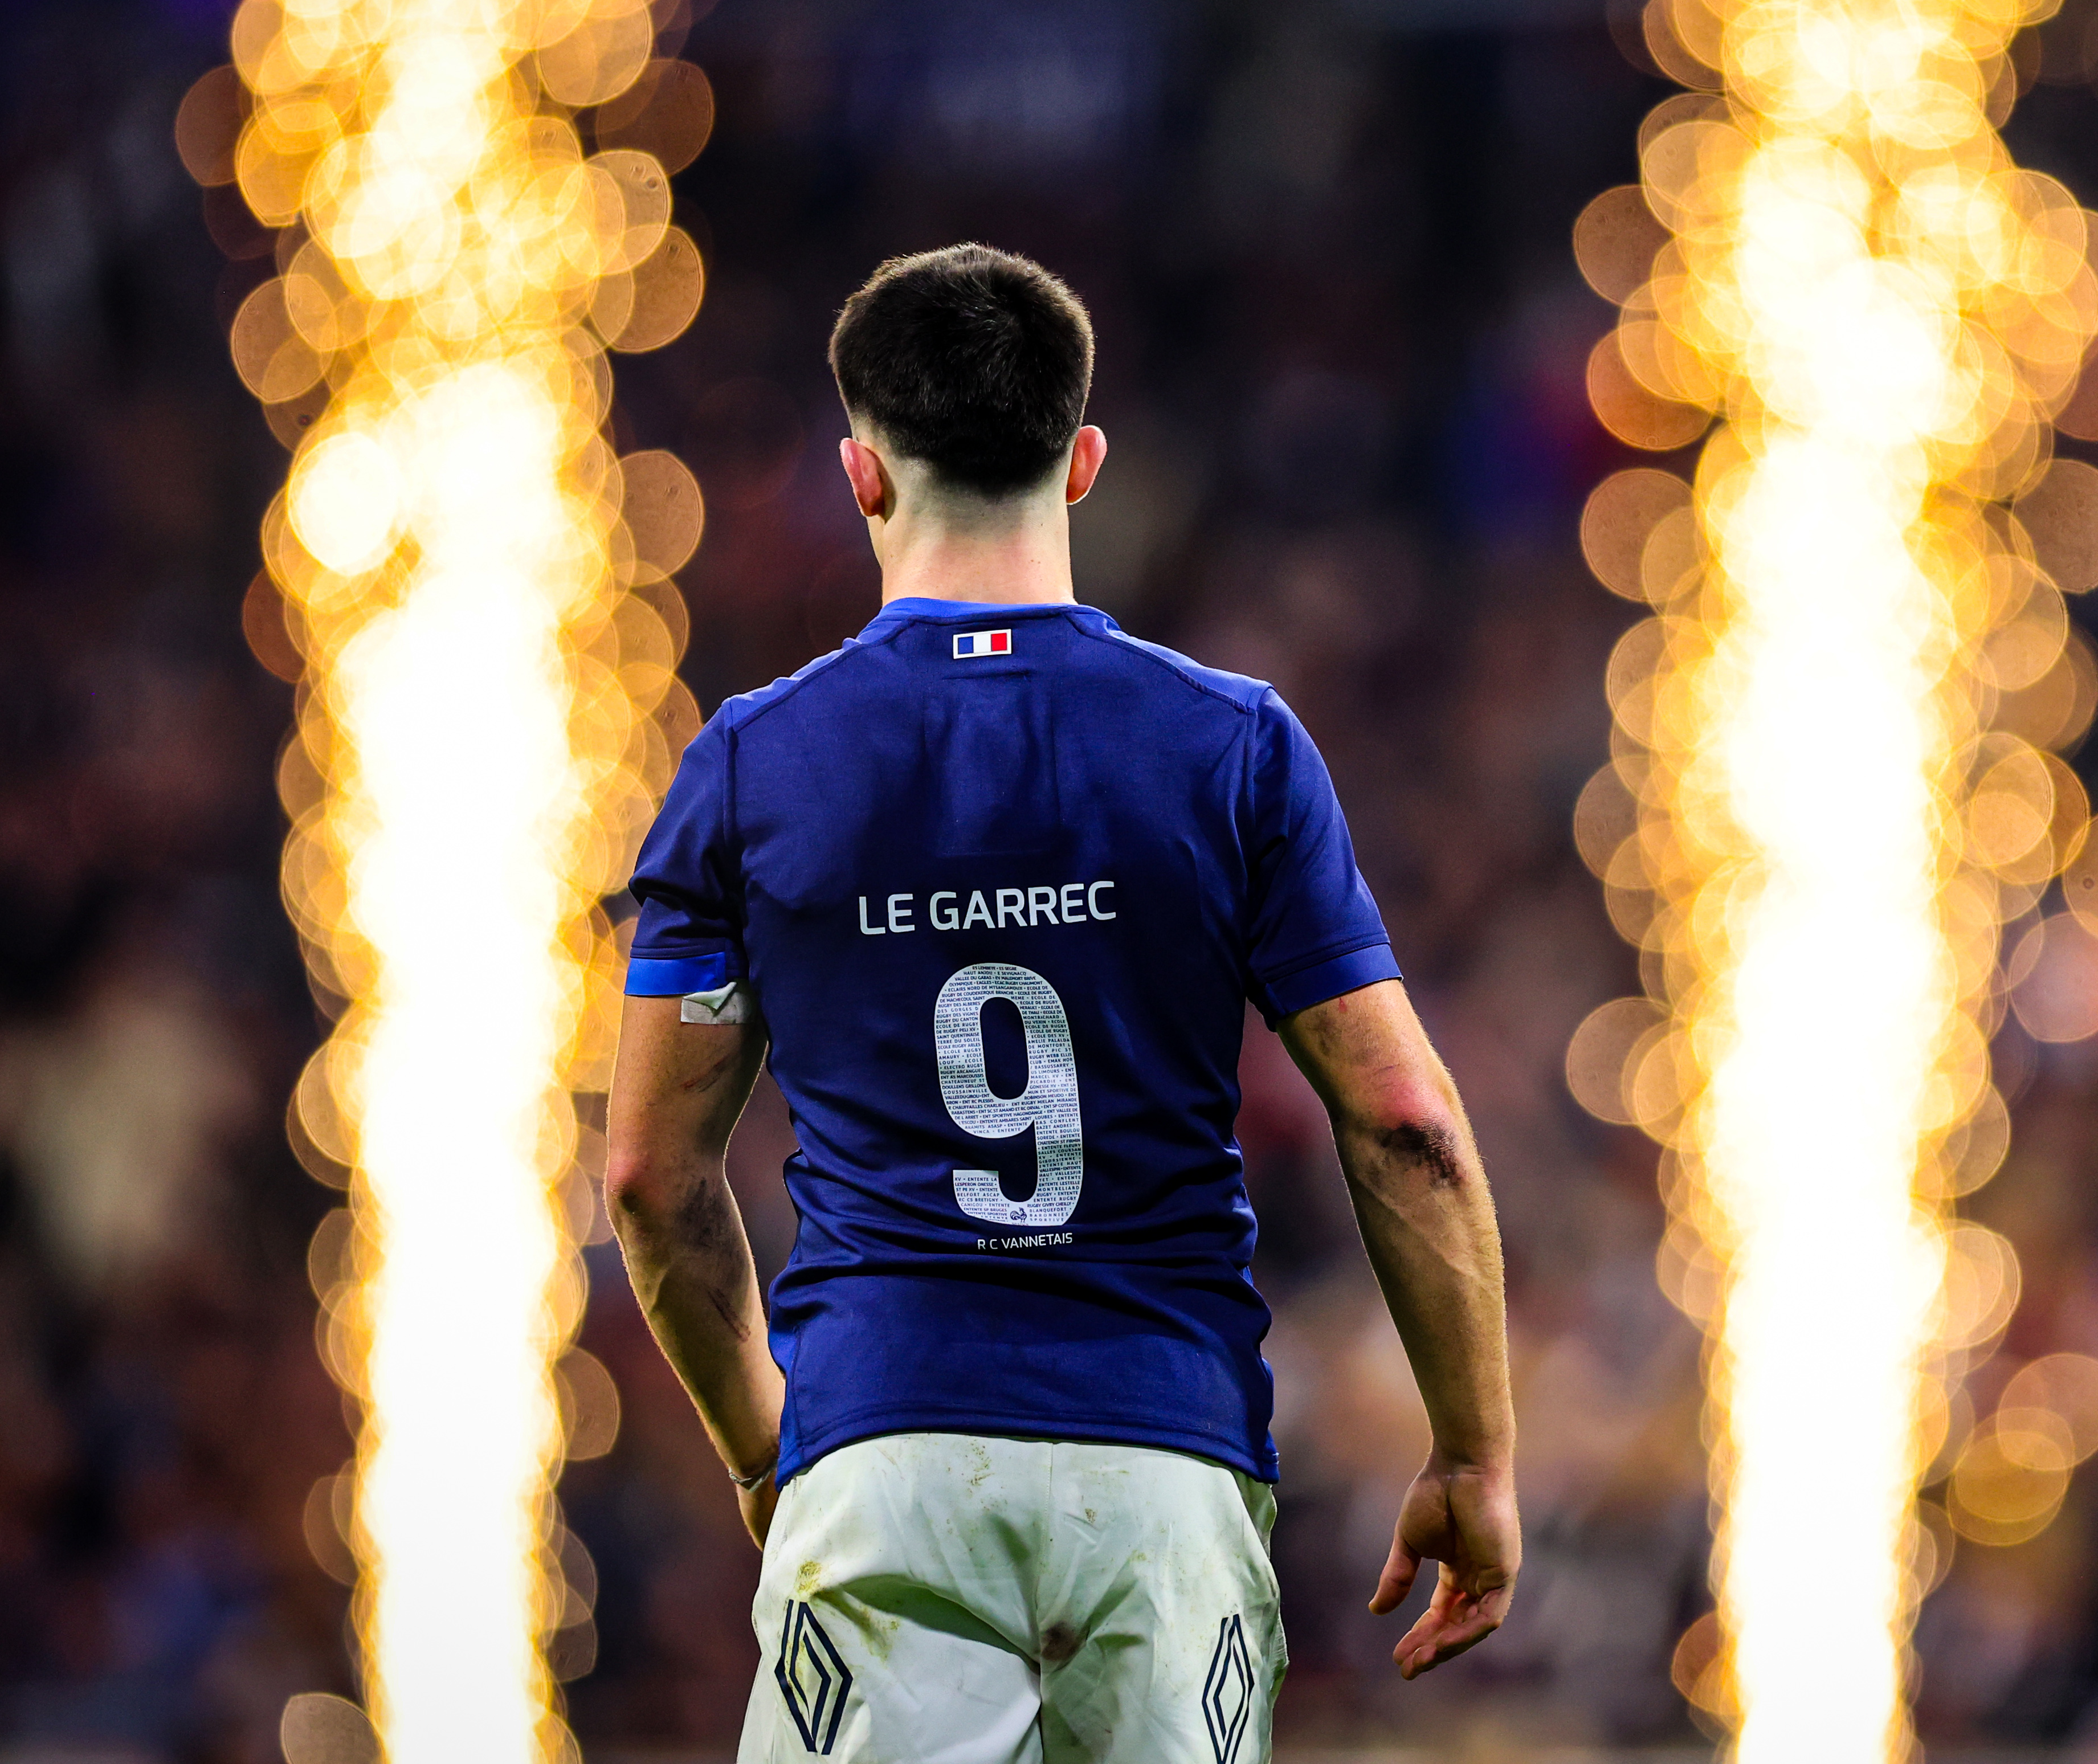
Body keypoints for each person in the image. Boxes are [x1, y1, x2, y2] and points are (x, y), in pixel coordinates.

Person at [604, 244, 1518, 1763]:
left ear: (861, 478)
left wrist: (775, 1448)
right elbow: (1407, 1123)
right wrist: (1476, 1454)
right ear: (1083, 463)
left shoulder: (753, 767)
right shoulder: (1232, 748)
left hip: (888, 1450)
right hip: (1162, 1464)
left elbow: (647, 1173)